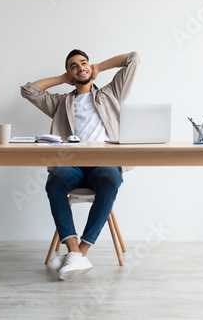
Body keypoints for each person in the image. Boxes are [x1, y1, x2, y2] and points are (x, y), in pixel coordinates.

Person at [20, 49, 140, 279]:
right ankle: (74, 252)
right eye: (73, 66)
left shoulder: (111, 93)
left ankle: (79, 253)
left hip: (103, 163)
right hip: (72, 165)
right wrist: (62, 78)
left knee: (111, 178)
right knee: (54, 180)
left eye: (83, 63)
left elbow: (133, 58)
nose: (80, 67)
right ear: (69, 73)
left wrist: (99, 67)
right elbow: (28, 91)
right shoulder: (60, 103)